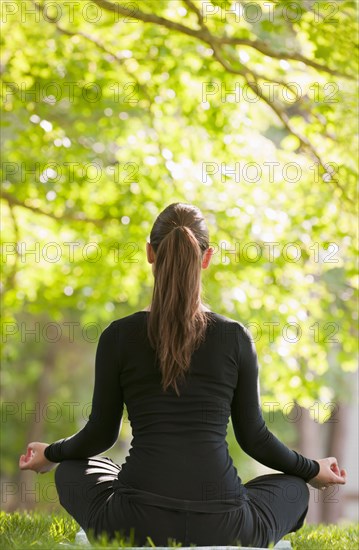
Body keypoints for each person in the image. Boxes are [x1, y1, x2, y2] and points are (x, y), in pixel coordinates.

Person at [19, 203, 347, 548]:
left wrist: (52, 454)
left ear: (150, 253)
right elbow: (254, 438)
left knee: (72, 471)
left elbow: (100, 434)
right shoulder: (234, 337)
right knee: (293, 487)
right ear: (207, 258)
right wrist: (311, 470)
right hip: (226, 525)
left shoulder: (119, 336)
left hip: (133, 521)